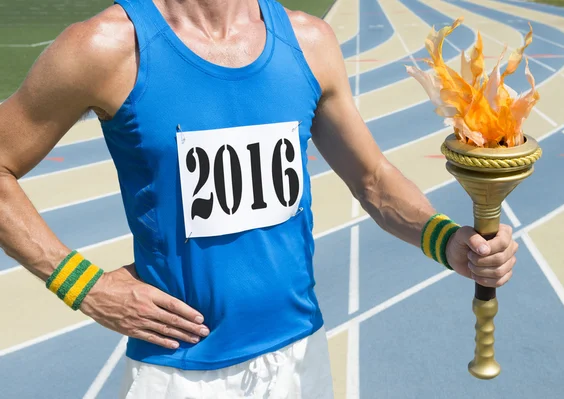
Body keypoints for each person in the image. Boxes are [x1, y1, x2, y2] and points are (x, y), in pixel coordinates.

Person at [0, 0, 519, 397]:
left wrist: (449, 241)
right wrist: (83, 286)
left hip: (300, 359)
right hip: (179, 374)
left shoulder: (308, 41)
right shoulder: (108, 45)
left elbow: (374, 179)